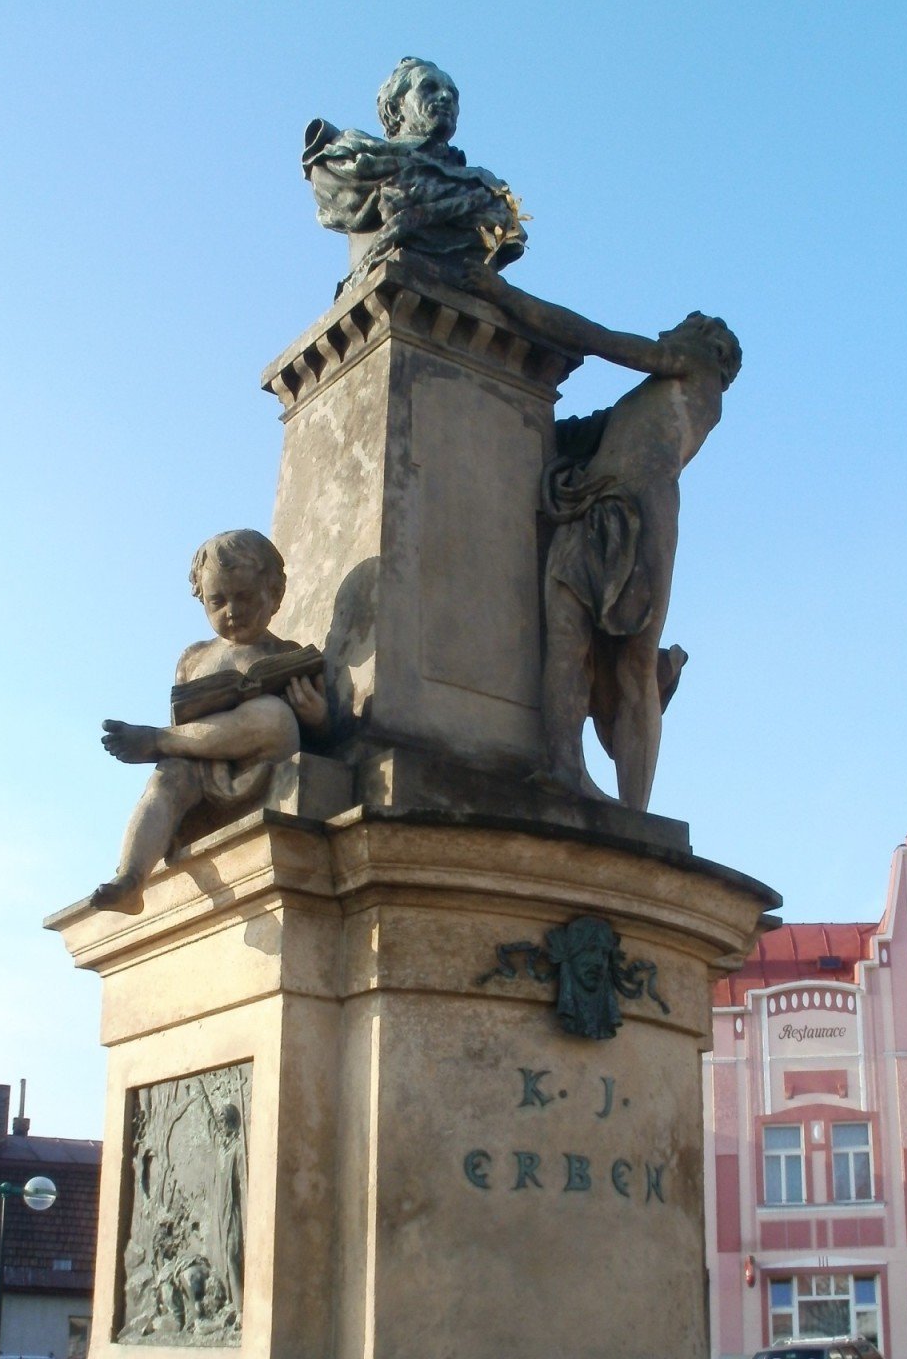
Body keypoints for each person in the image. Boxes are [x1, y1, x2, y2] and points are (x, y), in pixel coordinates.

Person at [463, 265, 741, 811]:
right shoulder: (646, 403)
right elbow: (579, 432)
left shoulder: (697, 373)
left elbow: (598, 340)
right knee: (569, 638)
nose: (669, 332)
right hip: (594, 505)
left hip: (635, 515)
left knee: (633, 664)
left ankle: (635, 811)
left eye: (685, 325)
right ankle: (563, 767)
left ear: (713, 349)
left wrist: (502, 294)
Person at [92, 529, 329, 914]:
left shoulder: (288, 655)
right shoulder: (194, 658)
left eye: (245, 597)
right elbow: (187, 721)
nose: (232, 611)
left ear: (275, 594)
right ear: (201, 598)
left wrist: (316, 718)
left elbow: (322, 738)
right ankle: (130, 879)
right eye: (218, 601)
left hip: (264, 764)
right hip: (206, 768)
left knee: (274, 715)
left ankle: (156, 740)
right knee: (167, 777)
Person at [303, 57, 526, 290]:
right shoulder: (350, 159)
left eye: (453, 93)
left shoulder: (487, 187)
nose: (446, 97)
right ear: (394, 109)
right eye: (429, 88)